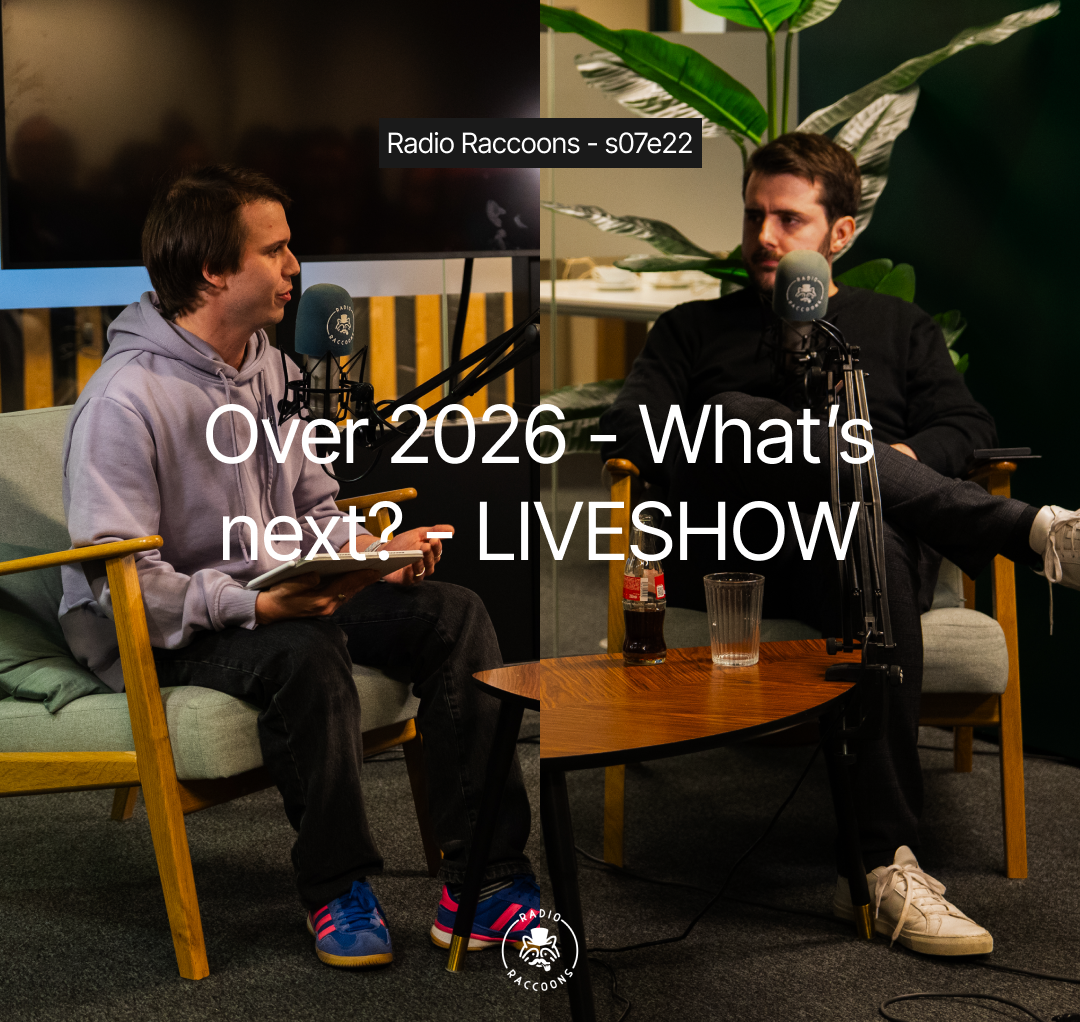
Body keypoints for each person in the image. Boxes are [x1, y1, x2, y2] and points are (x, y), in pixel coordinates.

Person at [602, 132, 1079, 956]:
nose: (763, 237)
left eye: (789, 219)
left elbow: (966, 426)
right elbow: (632, 424)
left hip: (866, 549)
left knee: (867, 529)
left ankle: (880, 865)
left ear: (841, 233)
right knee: (746, 416)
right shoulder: (692, 329)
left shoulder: (898, 327)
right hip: (743, 551)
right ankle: (1027, 533)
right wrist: (757, 439)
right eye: (754, 215)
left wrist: (896, 461)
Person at [59, 164, 540, 968]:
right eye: (275, 250)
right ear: (214, 270)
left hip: (278, 590)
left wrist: (374, 559)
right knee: (305, 649)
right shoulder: (124, 399)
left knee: (454, 613)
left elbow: (313, 510)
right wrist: (252, 606)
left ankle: (486, 881)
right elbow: (123, 584)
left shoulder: (273, 367)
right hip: (170, 626)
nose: (294, 267)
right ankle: (335, 885)